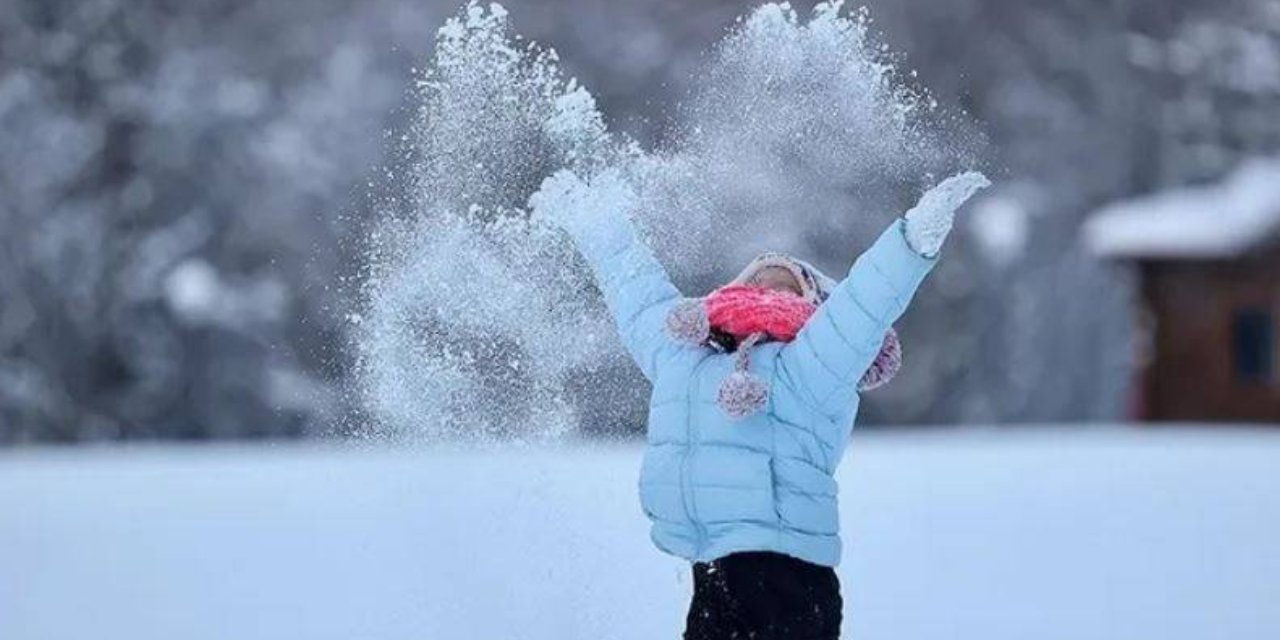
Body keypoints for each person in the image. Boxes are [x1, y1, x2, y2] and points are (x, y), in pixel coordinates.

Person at [529, 168, 990, 640]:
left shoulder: (812, 363)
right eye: (759, 282)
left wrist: (912, 241)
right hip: (711, 568)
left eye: (787, 287)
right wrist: (597, 223)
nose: (770, 291)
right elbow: (639, 296)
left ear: (815, 307)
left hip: (787, 572)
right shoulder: (685, 355)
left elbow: (863, 305)